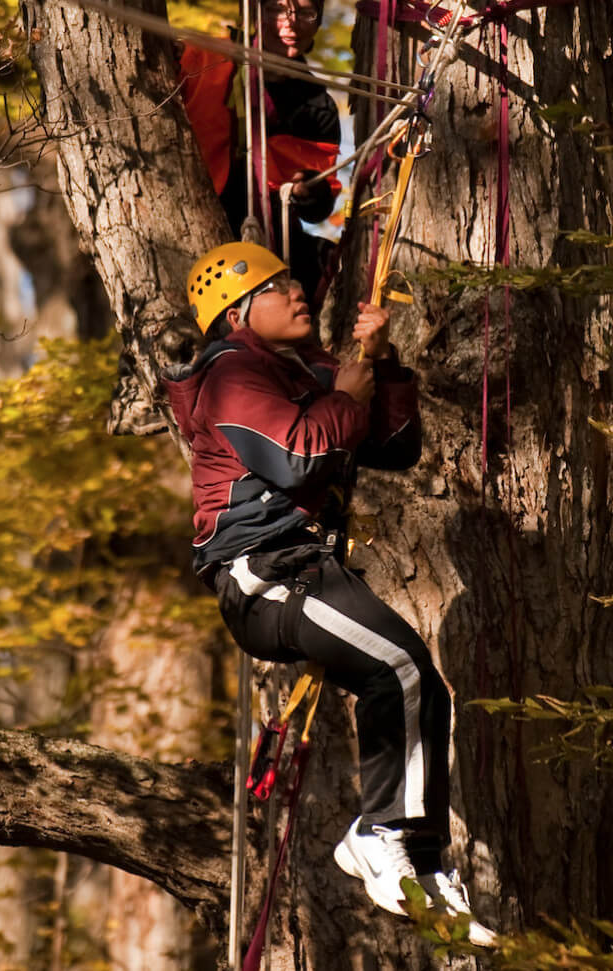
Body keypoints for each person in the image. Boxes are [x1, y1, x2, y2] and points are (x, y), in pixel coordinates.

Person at [165, 242, 496, 946]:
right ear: (238, 312)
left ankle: (421, 859)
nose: (296, 291)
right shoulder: (230, 374)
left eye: (291, 279)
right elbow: (299, 457)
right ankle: (380, 833)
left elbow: (394, 445)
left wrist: (384, 364)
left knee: (416, 683)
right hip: (262, 574)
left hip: (304, 567)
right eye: (275, 285)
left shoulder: (299, 371)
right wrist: (348, 388)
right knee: (403, 670)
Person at [178, 0, 341, 308]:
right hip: (199, 221)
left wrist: (308, 191)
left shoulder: (315, 105)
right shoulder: (207, 59)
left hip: (268, 245)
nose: (292, 23)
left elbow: (318, 204)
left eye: (306, 12)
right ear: (255, 8)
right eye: (278, 9)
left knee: (333, 266)